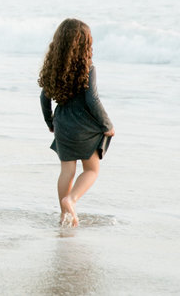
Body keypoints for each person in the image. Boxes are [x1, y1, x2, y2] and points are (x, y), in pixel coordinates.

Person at [38, 18, 115, 227]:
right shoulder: (88, 67)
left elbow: (44, 98)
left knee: (67, 171)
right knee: (91, 170)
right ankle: (71, 200)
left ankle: (65, 215)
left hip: (62, 125)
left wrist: (50, 122)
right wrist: (107, 125)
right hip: (85, 126)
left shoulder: (53, 66)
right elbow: (92, 100)